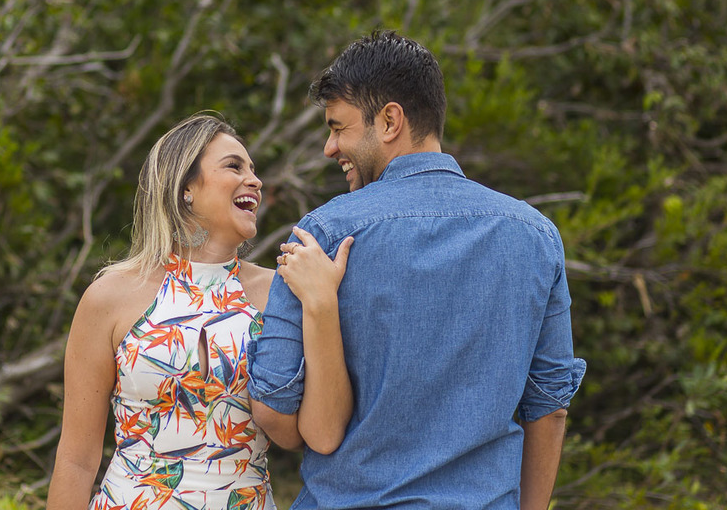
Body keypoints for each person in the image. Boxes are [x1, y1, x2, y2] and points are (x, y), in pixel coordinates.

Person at [248, 32, 586, 510]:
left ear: (390, 120)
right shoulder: (535, 236)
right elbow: (549, 407)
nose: (329, 147)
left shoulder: (322, 235)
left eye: (338, 127)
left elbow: (276, 411)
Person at [47, 113, 355, 510]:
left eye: (254, 169)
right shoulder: (110, 296)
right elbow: (76, 460)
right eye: (234, 166)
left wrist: (323, 303)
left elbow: (316, 434)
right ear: (186, 188)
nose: (255, 180)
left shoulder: (279, 293)